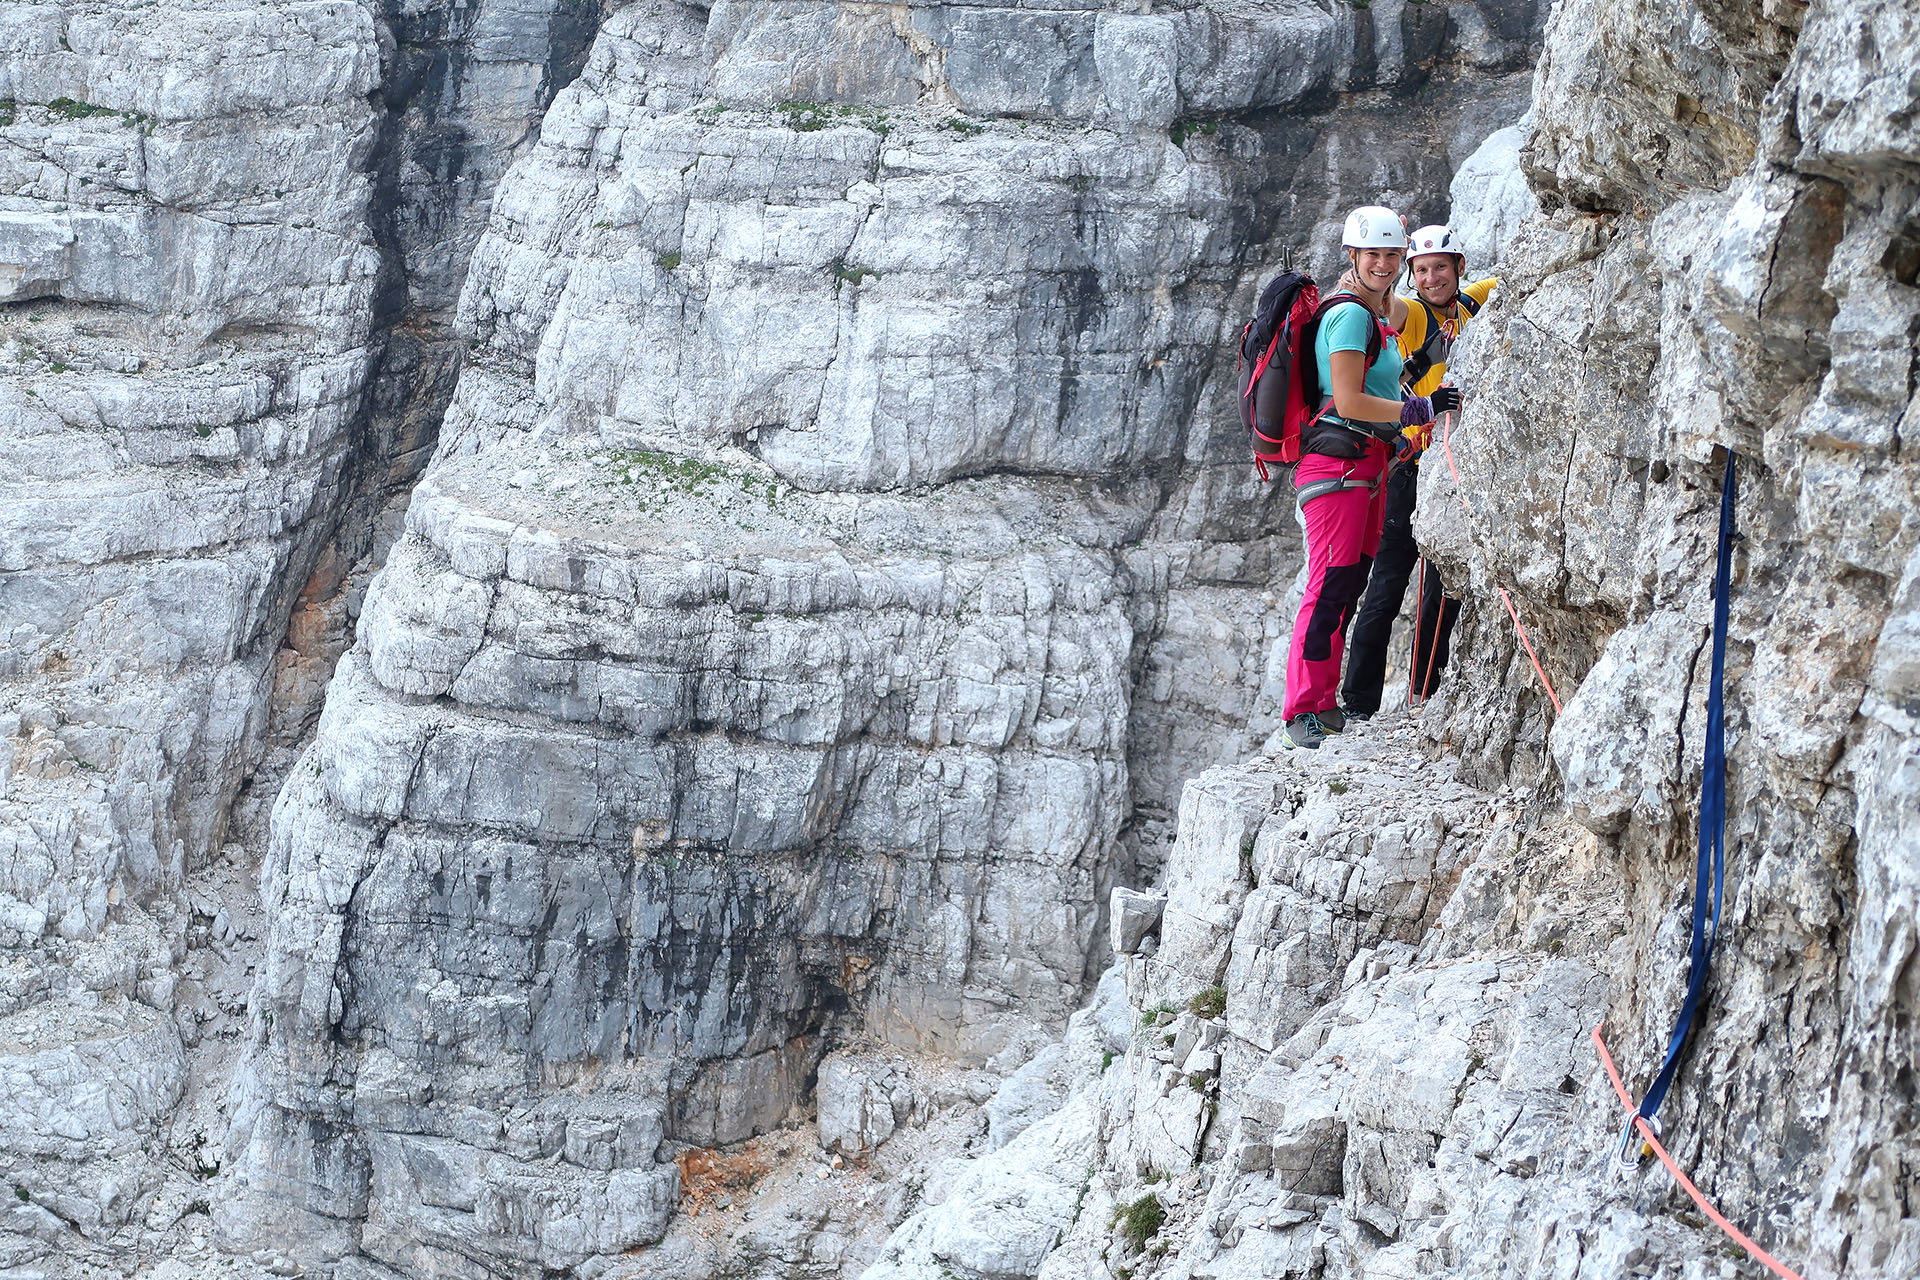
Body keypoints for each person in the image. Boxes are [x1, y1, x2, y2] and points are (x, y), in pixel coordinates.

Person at [1280, 206, 1435, 751]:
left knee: (1347, 586)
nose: (1384, 263)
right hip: (1338, 468)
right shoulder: (1348, 317)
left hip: (1365, 467)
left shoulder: (1378, 314)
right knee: (1328, 587)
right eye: (1373, 254)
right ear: (1353, 255)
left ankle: (1323, 704)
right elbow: (1346, 399)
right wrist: (1416, 411)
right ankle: (1303, 709)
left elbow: (1373, 391)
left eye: (1393, 255)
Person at [1339, 224, 1496, 721]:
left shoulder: (1472, 304)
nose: (1431, 278)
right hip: (1411, 468)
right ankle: (1359, 703)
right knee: (1387, 585)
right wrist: (1362, 283)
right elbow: (1388, 306)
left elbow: (1510, 281)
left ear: (1458, 269)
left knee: (1439, 587)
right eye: (1422, 270)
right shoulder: (1411, 315)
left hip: (1450, 470)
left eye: (1440, 268)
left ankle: (1423, 696)